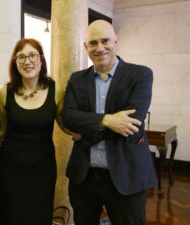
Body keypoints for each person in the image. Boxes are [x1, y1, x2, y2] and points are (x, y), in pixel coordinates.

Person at [62, 20, 157, 225]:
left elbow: (132, 124)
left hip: (126, 176)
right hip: (84, 178)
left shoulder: (140, 75)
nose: (100, 48)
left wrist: (86, 127)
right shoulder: (76, 79)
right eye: (93, 43)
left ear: (116, 40)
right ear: (86, 47)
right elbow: (68, 117)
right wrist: (107, 120)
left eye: (105, 41)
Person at [0, 38, 68, 225]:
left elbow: (66, 126)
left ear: (41, 59)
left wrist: (97, 124)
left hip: (42, 168)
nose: (27, 62)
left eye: (32, 55)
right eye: (21, 57)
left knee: (40, 215)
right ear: (15, 62)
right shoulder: (4, 92)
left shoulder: (56, 90)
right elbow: (0, 131)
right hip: (10, 168)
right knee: (11, 216)